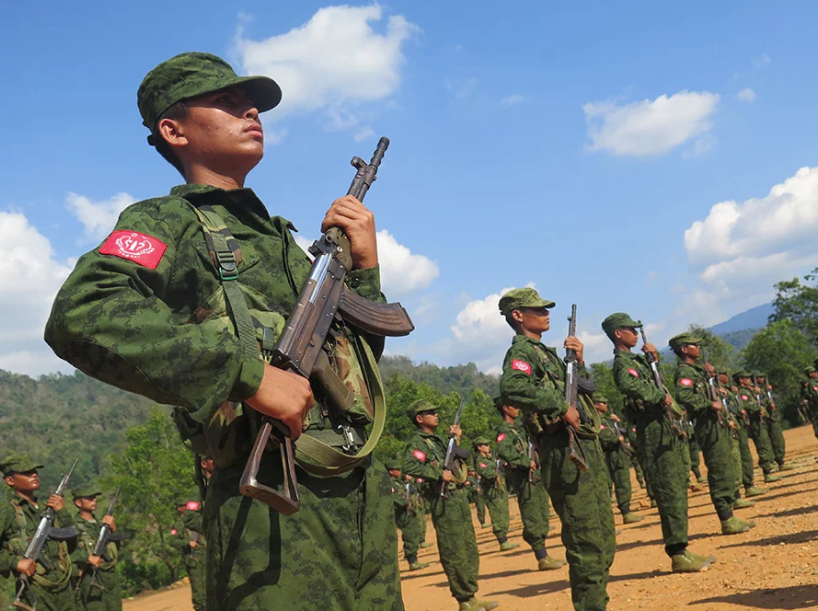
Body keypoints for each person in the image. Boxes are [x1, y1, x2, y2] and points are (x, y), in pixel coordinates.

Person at [44, 52, 403, 611]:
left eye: (251, 102)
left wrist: (365, 267)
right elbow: (81, 315)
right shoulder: (168, 223)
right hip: (274, 513)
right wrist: (248, 375)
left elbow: (356, 363)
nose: (251, 110)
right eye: (227, 101)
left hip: (358, 489)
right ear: (173, 129)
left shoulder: (283, 239)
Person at [500, 288, 614, 611]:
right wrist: (560, 406)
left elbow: (585, 391)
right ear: (518, 316)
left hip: (582, 447)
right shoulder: (522, 352)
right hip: (561, 450)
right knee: (586, 540)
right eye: (538, 309)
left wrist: (579, 362)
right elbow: (512, 387)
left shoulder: (547, 354)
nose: (546, 313)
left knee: (604, 537)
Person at [602, 313, 714, 573]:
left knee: (676, 487)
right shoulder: (623, 362)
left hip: (663, 428)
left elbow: (658, 384)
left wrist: (654, 361)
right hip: (652, 431)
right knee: (668, 491)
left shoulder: (638, 360)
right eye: (631, 330)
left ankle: (682, 547)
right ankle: (677, 552)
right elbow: (629, 384)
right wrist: (658, 397)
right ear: (618, 333)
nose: (635, 334)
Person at [402, 400, 498, 611]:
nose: (436, 415)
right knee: (453, 549)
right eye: (430, 413)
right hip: (443, 501)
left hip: (458, 498)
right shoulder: (418, 442)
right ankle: (463, 599)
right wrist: (438, 474)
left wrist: (456, 440)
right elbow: (409, 465)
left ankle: (471, 595)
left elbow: (458, 460)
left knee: (468, 546)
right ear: (419, 419)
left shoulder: (437, 442)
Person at [668, 333, 754, 535]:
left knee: (727, 465)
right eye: (694, 345)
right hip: (706, 425)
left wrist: (712, 378)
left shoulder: (697, 371)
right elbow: (684, 396)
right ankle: (726, 517)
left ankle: (730, 511)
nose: (698, 348)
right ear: (684, 349)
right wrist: (709, 404)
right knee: (719, 468)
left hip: (716, 423)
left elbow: (706, 392)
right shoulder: (684, 372)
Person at [495, 398, 567, 570]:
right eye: (514, 406)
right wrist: (526, 462)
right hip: (523, 478)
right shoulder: (504, 431)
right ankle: (541, 557)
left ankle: (545, 555)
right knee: (532, 515)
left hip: (534, 477)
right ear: (505, 408)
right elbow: (504, 451)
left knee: (542, 512)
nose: (517, 409)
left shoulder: (518, 429)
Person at [0, 453, 78, 611]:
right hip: (35, 591)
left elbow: (71, 546)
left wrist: (62, 511)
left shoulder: (47, 509)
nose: (34, 475)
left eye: (35, 471)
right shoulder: (7, 510)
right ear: (10, 480)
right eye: (26, 472)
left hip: (63, 589)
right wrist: (15, 563)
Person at [592, 394, 644, 525]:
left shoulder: (607, 420)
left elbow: (623, 432)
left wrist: (617, 422)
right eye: (603, 403)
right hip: (607, 455)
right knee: (611, 485)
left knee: (624, 483)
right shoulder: (596, 420)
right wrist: (616, 439)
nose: (606, 405)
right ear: (596, 405)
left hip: (617, 454)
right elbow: (603, 435)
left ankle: (626, 512)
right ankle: (614, 517)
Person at [71, 485, 123, 611]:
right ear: (78, 502)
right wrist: (87, 558)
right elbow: (69, 553)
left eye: (94, 497)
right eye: (89, 498)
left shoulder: (101, 525)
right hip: (90, 581)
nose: (94, 500)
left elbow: (115, 549)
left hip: (110, 579)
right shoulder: (73, 527)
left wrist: (113, 529)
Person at [734, 371, 781, 484]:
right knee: (762, 445)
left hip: (759, 421)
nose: (749, 379)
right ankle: (766, 473)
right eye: (746, 378)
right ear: (741, 380)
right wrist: (757, 409)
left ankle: (769, 468)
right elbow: (746, 405)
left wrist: (761, 394)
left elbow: (762, 401)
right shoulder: (742, 392)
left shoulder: (750, 390)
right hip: (753, 421)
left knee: (765, 444)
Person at [473, 438, 516, 552]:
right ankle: (502, 540)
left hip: (500, 488)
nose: (488, 446)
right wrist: (495, 474)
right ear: (479, 447)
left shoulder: (491, 458)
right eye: (485, 445)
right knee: (497, 513)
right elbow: (486, 473)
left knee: (504, 512)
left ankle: (505, 535)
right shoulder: (480, 460)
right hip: (492, 490)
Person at [386, 460, 429, 571]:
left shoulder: (399, 482)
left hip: (408, 511)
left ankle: (414, 559)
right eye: (397, 469)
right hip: (402, 513)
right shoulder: (389, 483)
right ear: (391, 471)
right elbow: (393, 498)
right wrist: (405, 502)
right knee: (410, 535)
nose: (400, 471)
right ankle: (412, 561)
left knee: (414, 533)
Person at [169, 496, 206, 611]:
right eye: (185, 506)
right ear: (180, 508)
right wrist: (187, 543)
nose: (188, 508)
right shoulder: (178, 524)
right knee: (198, 588)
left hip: (205, 555)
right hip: (193, 559)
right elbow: (172, 541)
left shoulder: (197, 518)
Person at [754, 374, 792, 471]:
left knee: (778, 440)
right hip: (763, 420)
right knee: (766, 443)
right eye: (760, 377)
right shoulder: (753, 391)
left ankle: (780, 461)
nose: (762, 379)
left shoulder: (764, 390)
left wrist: (769, 392)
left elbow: (775, 399)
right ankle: (771, 464)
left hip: (772, 418)